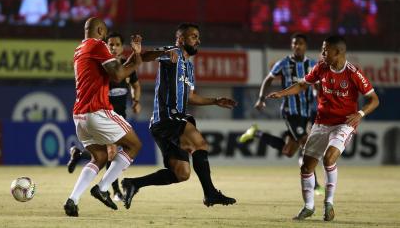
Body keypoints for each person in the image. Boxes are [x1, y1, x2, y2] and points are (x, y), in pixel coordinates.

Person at [121, 23, 237, 209]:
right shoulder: (172, 51)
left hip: (165, 124)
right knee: (199, 143)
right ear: (181, 39)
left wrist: (215, 100)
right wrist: (161, 53)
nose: (198, 40)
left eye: (198, 37)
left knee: (181, 173)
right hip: (167, 117)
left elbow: (191, 97)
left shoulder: (189, 67)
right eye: (193, 36)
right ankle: (211, 194)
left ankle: (133, 184)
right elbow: (143, 57)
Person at [266, 35, 379, 221]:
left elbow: (374, 99)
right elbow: (303, 85)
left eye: (326, 50)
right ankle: (309, 207)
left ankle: (329, 203)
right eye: (322, 49)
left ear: (338, 52)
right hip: (321, 123)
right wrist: (282, 93)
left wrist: (360, 114)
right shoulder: (321, 67)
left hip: (344, 123)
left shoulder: (353, 73)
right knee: (306, 167)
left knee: (328, 158)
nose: (322, 53)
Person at [64, 17, 143, 217]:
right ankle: (103, 187)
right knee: (134, 146)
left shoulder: (79, 49)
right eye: (105, 34)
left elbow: (106, 74)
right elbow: (117, 75)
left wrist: (133, 56)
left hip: (79, 116)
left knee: (99, 157)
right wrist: (137, 60)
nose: (107, 39)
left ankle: (72, 200)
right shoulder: (98, 45)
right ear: (100, 30)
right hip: (97, 111)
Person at [239, 33, 323, 194]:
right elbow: (268, 79)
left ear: (305, 46)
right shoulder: (284, 63)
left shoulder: (312, 65)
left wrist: (321, 100)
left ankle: (257, 133)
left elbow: (317, 87)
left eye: (300, 44)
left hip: (305, 113)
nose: (297, 46)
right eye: (294, 43)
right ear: (292, 46)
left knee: (288, 151)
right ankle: (315, 185)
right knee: (305, 143)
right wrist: (261, 98)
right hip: (290, 112)